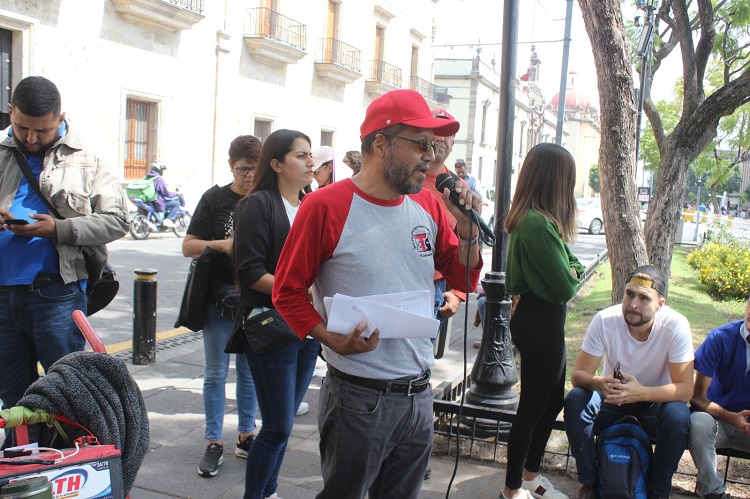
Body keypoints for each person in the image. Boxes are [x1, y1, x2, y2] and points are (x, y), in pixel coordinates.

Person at [272, 88, 482, 499]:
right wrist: (330, 338)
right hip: (357, 397)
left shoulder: (430, 204)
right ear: (381, 144)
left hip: (420, 395)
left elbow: (463, 274)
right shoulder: (325, 207)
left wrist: (469, 230)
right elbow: (287, 292)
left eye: (435, 145)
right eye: (421, 144)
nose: (430, 155)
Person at [0, 75, 129, 414]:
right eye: (21, 127)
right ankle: (27, 462)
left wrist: (59, 229)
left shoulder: (88, 161)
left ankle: (68, 463)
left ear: (60, 118)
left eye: (41, 130)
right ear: (11, 112)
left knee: (68, 395)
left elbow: (118, 220)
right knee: (14, 401)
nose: (30, 138)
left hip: (56, 295)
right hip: (2, 299)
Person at [233, 129, 319, 499]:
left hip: (309, 330)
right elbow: (250, 271)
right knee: (277, 426)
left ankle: (269, 492)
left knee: (282, 426)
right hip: (272, 326)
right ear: (276, 163)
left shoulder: (310, 204)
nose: (310, 163)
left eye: (310, 155)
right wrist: (299, 292)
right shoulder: (259, 205)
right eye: (301, 156)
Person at [564, 265, 694, 499]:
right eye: (629, 294)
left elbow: (685, 390)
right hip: (613, 400)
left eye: (644, 298)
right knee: (576, 399)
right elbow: (578, 375)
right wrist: (599, 382)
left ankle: (657, 491)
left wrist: (642, 392)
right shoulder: (605, 320)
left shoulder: (676, 326)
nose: (633, 304)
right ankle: (590, 483)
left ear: (660, 304)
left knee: (678, 415)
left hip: (654, 405)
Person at [501, 143, 584, 499]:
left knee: (551, 402)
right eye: (568, 178)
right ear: (555, 179)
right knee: (533, 407)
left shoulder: (542, 222)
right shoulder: (536, 224)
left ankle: (530, 476)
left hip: (542, 320)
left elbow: (574, 265)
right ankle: (512, 489)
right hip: (540, 321)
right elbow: (566, 285)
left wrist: (570, 268)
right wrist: (570, 270)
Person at [182, 135, 262, 478]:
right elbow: (189, 246)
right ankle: (214, 441)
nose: (248, 177)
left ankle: (246, 435)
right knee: (215, 373)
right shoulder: (214, 199)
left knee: (248, 373)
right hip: (217, 301)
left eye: (255, 170)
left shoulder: (265, 200)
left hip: (253, 302)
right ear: (231, 166)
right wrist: (223, 245)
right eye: (243, 169)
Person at [688, 294, 750, 499]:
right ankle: (712, 490)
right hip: (717, 421)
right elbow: (697, 398)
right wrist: (731, 417)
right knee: (698, 421)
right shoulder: (720, 338)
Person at [423, 109, 468, 334]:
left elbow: (466, 242)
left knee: (424, 360)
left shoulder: (460, 188)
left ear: (453, 142)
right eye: (435, 131)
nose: (440, 138)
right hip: (404, 284)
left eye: (446, 133)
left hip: (438, 286)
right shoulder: (406, 181)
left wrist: (459, 292)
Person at [146, 160, 181, 226]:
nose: (162, 171)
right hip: (158, 202)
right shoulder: (159, 179)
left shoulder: (147, 177)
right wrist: (176, 193)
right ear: (159, 169)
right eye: (162, 169)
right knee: (177, 204)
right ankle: (168, 219)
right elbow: (166, 194)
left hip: (150, 201)